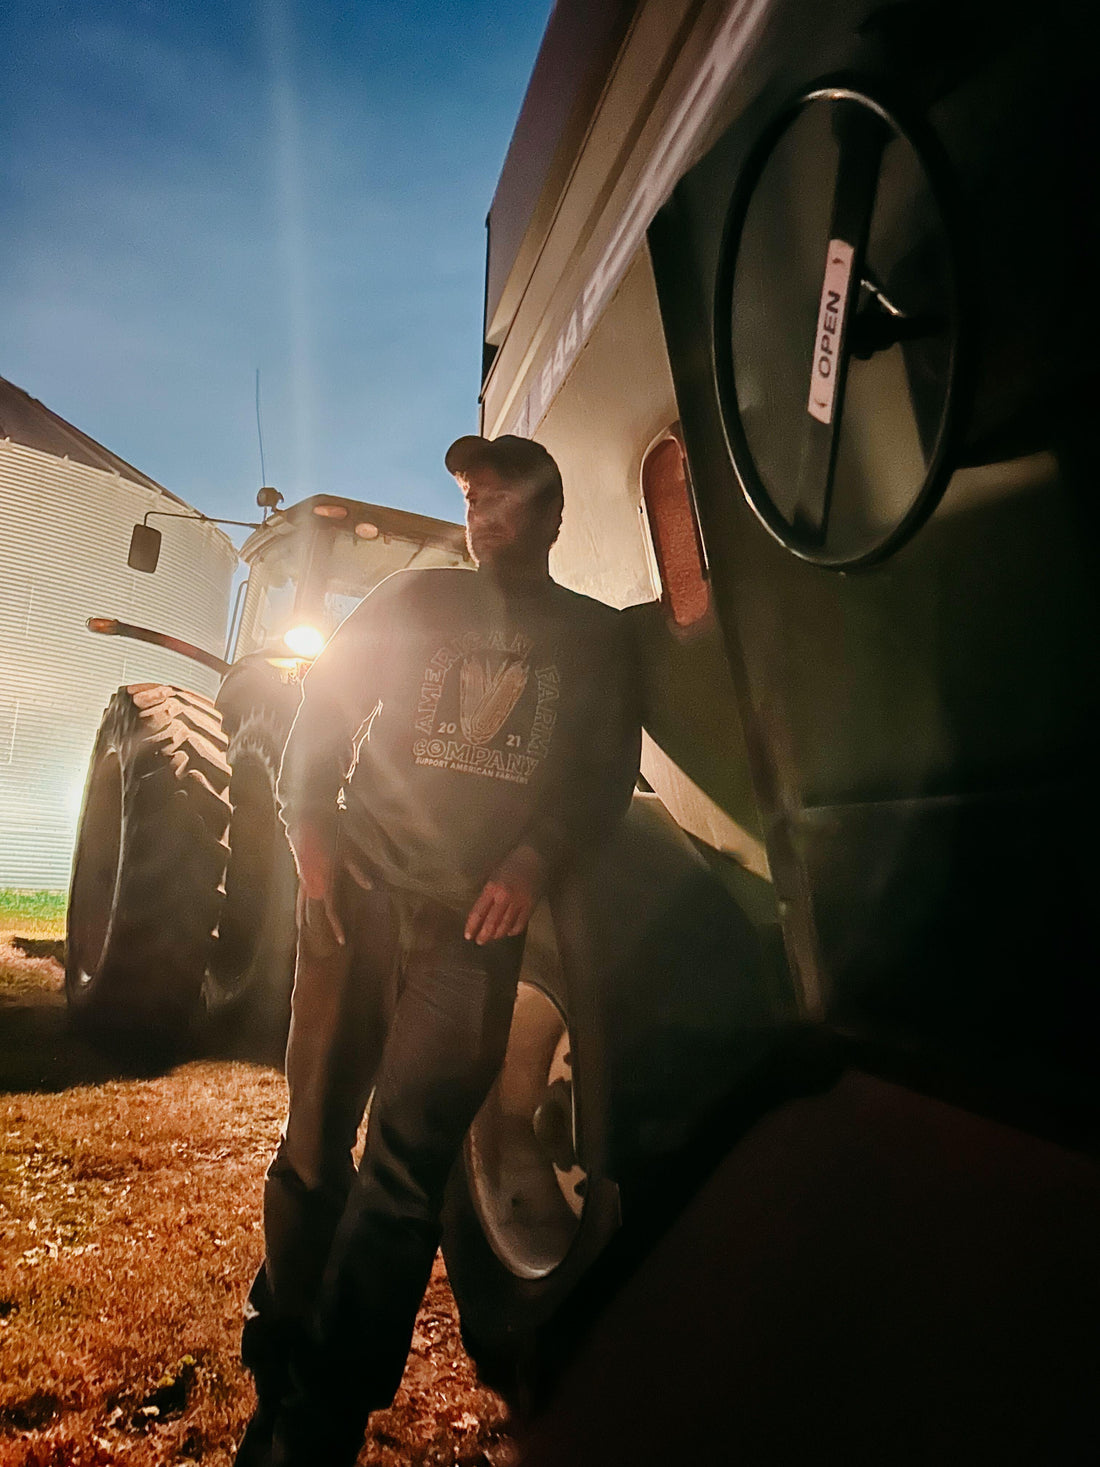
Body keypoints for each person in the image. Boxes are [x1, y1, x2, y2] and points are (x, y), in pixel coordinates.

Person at [236, 434, 641, 1466]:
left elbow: (598, 776)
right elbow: (323, 709)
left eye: (506, 492)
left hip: (471, 931)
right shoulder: (413, 601)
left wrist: (534, 861)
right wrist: (309, 828)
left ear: (552, 517)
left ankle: (319, 1423)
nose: (482, 505)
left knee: (405, 1177)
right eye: (472, 491)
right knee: (317, 1146)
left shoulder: (592, 640)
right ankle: (275, 1364)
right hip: (355, 900)